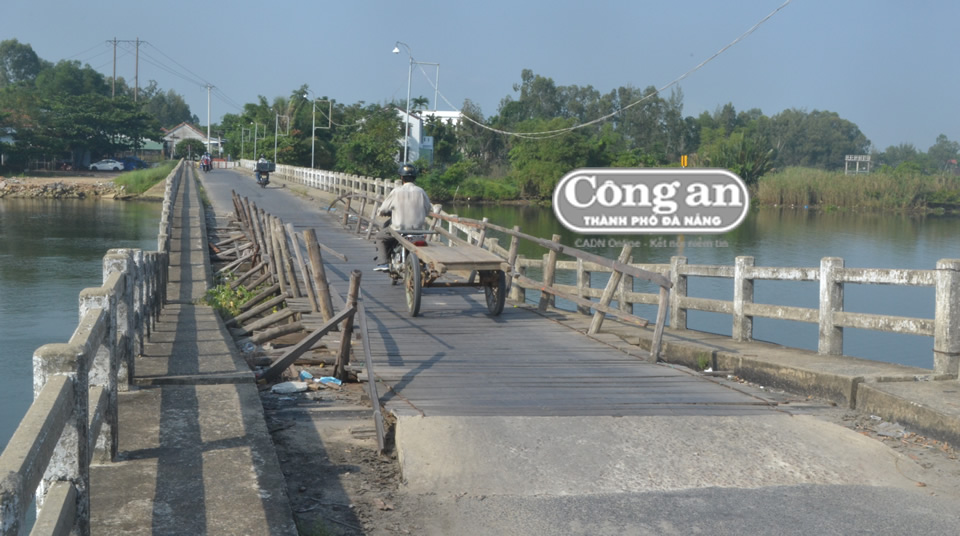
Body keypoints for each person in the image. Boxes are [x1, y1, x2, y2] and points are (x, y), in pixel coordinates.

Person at [373, 164, 433, 272]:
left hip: (399, 230)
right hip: (418, 231)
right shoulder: (421, 191)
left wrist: (381, 212)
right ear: (414, 177)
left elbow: (383, 209)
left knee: (380, 237)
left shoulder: (396, 191)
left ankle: (383, 262)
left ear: (401, 177)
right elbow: (428, 209)